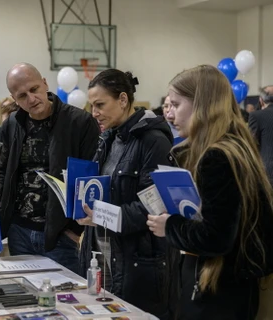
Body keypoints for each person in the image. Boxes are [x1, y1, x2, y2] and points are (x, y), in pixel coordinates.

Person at [147, 65, 273, 320]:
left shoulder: (218, 157)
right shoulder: (235, 148)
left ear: (201, 104)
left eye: (176, 104)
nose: (169, 115)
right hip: (228, 286)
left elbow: (216, 236)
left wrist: (170, 225)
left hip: (217, 292)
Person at [0, 63, 100, 274]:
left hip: (61, 235)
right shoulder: (12, 125)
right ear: (14, 98)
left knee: (68, 300)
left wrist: (74, 231)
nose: (31, 99)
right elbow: (3, 170)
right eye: (22, 95)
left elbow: (91, 178)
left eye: (34, 90)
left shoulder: (79, 122)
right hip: (19, 231)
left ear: (45, 83)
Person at [76, 69, 172, 319]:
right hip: (101, 253)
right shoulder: (108, 138)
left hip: (135, 259)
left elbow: (152, 207)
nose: (94, 112)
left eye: (100, 105)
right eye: (91, 105)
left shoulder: (153, 141)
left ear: (122, 99)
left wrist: (103, 217)